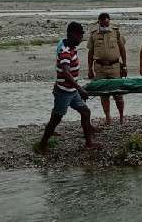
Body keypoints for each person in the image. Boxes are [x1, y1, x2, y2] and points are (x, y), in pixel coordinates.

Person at [36, 22, 98, 155]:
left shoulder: (70, 46)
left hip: (71, 91)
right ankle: (42, 144)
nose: (81, 38)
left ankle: (89, 143)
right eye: (79, 35)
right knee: (56, 119)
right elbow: (66, 73)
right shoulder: (65, 51)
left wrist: (76, 89)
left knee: (85, 112)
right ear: (72, 34)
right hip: (64, 92)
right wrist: (80, 89)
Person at [87, 13, 127, 124]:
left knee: (118, 94)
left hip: (114, 67)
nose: (105, 25)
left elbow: (122, 49)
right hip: (99, 68)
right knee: (103, 94)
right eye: (103, 23)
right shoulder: (94, 34)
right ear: (99, 22)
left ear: (109, 21)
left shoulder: (116, 32)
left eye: (107, 23)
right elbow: (90, 53)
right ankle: (108, 117)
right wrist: (89, 69)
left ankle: (121, 116)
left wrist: (125, 65)